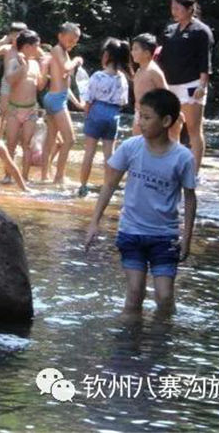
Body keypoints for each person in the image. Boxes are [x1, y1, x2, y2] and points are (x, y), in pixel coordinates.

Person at [83, 89, 198, 317]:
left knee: (165, 297)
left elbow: (190, 198)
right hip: (131, 232)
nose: (140, 122)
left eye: (146, 117)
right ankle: (129, 338)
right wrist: (94, 222)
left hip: (164, 236)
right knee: (134, 293)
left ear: (166, 121)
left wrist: (186, 238)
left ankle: (162, 335)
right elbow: (109, 185)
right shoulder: (131, 147)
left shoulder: (183, 157)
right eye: (139, 116)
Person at [158, 0, 214, 171]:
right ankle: (172, 167)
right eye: (172, 8)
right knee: (171, 127)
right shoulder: (170, 30)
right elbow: (162, 57)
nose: (174, 11)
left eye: (178, 8)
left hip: (192, 84)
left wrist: (202, 85)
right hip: (170, 84)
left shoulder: (201, 31)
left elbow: (205, 61)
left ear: (190, 8)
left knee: (193, 129)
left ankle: (194, 172)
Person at [77, 38, 131, 197]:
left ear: (106, 56)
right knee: (109, 155)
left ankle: (83, 186)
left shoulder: (97, 76)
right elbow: (123, 102)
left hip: (96, 111)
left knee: (89, 152)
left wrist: (87, 114)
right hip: (113, 114)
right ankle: (109, 187)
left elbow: (88, 100)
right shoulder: (122, 78)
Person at [40, 22, 84, 185]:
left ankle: (45, 176)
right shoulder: (57, 50)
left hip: (57, 97)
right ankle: (59, 176)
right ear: (60, 36)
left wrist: (77, 103)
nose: (72, 44)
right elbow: (66, 68)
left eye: (75, 42)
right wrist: (77, 60)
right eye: (70, 40)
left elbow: (65, 83)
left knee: (51, 139)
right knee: (70, 139)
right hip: (56, 100)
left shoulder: (64, 52)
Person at [4, 30, 46, 183]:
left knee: (27, 144)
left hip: (31, 109)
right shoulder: (13, 61)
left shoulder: (35, 63)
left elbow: (40, 86)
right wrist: (23, 67)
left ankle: (25, 178)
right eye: (37, 46)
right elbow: (10, 80)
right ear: (27, 47)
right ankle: (8, 176)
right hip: (15, 109)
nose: (38, 49)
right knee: (11, 144)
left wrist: (45, 68)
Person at [0, 21, 28, 127]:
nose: (17, 39)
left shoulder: (27, 49)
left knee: (21, 109)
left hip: (21, 82)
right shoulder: (7, 49)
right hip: (7, 82)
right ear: (10, 35)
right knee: (4, 110)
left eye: (20, 36)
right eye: (14, 36)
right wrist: (2, 41)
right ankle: (0, 132)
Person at [130, 33, 168, 136]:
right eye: (132, 49)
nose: (132, 52)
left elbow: (165, 93)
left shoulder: (153, 71)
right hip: (139, 111)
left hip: (151, 114)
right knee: (136, 141)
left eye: (136, 49)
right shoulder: (139, 70)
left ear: (147, 53)